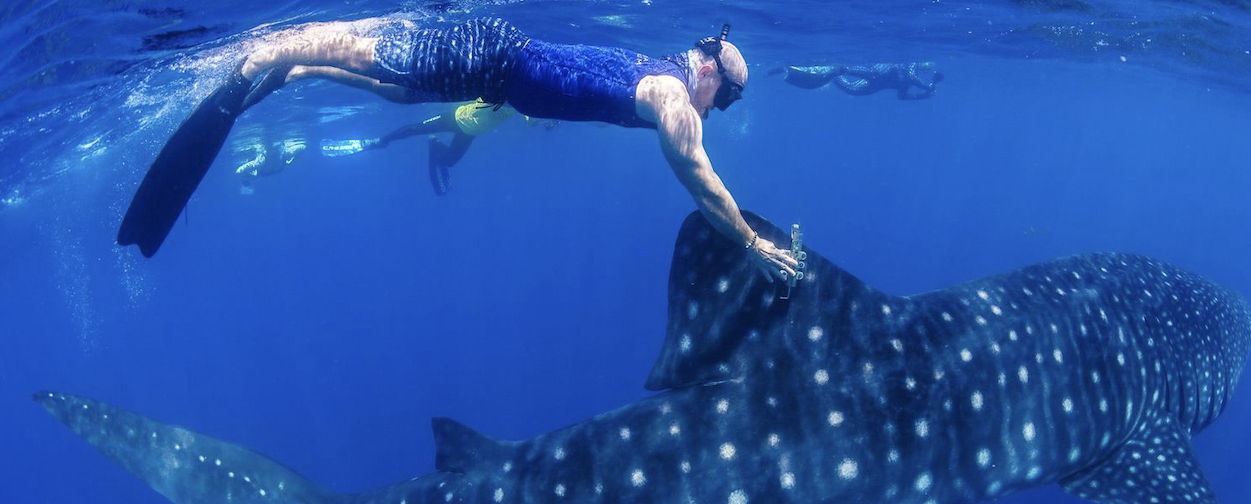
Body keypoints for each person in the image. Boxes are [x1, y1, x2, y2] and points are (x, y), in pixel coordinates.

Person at [118, 18, 798, 283]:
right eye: (727, 99)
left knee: (393, 89)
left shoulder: (671, 72)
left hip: (490, 72)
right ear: (710, 71)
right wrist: (748, 241)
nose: (721, 111)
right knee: (364, 50)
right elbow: (699, 178)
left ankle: (294, 69)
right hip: (490, 55)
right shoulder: (676, 98)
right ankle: (258, 53)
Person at [320, 98, 554, 197]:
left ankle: (434, 144)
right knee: (414, 129)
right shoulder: (499, 87)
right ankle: (378, 142)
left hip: (469, 133)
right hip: (456, 117)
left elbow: (532, 117)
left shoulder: (522, 102)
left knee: (449, 161)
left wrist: (548, 120)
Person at [772, 62, 943, 99]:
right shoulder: (911, 70)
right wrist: (927, 88)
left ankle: (832, 73)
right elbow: (914, 76)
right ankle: (836, 69)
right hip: (878, 73)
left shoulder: (908, 82)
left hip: (878, 82)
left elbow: (902, 97)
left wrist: (923, 94)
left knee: (850, 88)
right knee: (846, 70)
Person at [235, 137, 307, 194]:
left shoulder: (283, 153)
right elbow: (238, 172)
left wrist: (291, 161)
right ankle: (246, 183)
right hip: (264, 171)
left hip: (267, 170)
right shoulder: (261, 161)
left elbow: (303, 147)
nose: (274, 151)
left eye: (276, 148)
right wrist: (253, 177)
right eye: (272, 149)